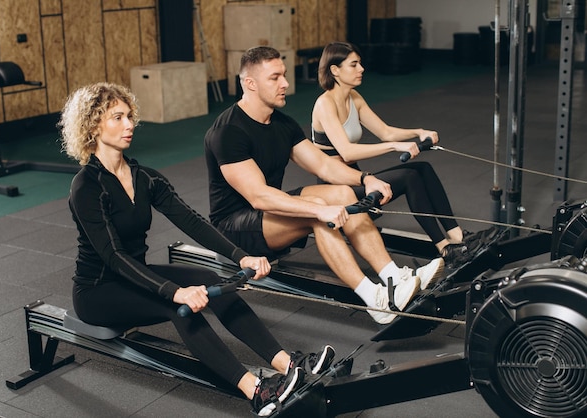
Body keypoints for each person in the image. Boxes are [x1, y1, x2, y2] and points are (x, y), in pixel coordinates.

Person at [58, 82, 335, 416]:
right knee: (176, 307)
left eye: (129, 115)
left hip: (137, 275)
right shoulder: (87, 186)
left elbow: (191, 221)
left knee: (207, 280)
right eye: (117, 118)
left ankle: (288, 364)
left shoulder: (144, 177)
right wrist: (174, 292)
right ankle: (256, 391)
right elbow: (113, 256)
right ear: (92, 126)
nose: (129, 124)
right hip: (98, 290)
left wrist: (240, 256)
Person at [204, 46, 444, 326]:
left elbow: (323, 165)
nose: (285, 83)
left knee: (341, 194)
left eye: (284, 75)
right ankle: (375, 299)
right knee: (319, 210)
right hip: (235, 228)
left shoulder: (282, 123)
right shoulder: (228, 131)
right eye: (275, 77)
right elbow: (258, 196)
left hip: (270, 213)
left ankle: (393, 276)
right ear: (250, 84)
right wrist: (318, 211)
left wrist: (366, 179)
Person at [311, 42, 499, 267]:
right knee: (409, 177)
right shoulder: (325, 104)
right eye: (354, 64)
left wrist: (418, 132)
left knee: (423, 169)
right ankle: (445, 249)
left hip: (358, 179)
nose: (361, 68)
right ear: (335, 70)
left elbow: (385, 131)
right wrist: (395, 146)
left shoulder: (354, 98)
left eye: (360, 63)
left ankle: (458, 236)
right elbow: (347, 151)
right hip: (337, 189)